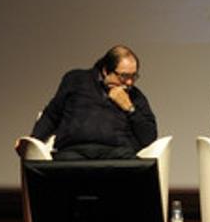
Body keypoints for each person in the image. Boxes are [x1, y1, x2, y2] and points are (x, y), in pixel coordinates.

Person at [25, 45, 157, 160]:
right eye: (124, 76)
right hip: (74, 152)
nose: (129, 82)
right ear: (106, 71)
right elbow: (52, 115)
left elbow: (149, 138)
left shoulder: (135, 96)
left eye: (133, 76)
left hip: (117, 155)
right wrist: (32, 142)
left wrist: (130, 108)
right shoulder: (76, 80)